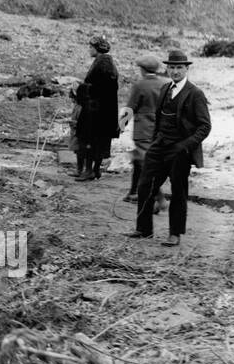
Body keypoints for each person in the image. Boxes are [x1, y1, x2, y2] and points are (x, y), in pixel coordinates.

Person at [127, 50, 211, 247]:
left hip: (180, 150)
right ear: (167, 68)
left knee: (178, 191)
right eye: (171, 67)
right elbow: (159, 117)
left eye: (179, 67)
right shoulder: (165, 88)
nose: (175, 71)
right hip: (159, 146)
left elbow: (205, 126)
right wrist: (156, 139)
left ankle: (175, 234)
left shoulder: (195, 94)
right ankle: (144, 229)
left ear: (186, 69)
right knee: (145, 185)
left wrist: (185, 145)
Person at [118, 55, 170, 205]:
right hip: (159, 129)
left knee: (144, 162)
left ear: (142, 69)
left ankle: (157, 197)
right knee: (139, 160)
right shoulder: (164, 84)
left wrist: (121, 126)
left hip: (143, 129)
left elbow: (130, 107)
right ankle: (133, 192)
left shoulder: (140, 85)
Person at [71, 35, 120, 181]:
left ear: (97, 49)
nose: (89, 49)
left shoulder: (102, 64)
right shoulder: (107, 63)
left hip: (95, 111)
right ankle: (95, 170)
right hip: (105, 111)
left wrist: (80, 88)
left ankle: (88, 171)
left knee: (89, 139)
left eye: (91, 47)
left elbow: (97, 89)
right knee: (100, 140)